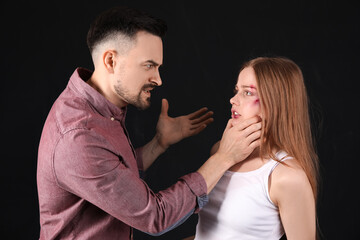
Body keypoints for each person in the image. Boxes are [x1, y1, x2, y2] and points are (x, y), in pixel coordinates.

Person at [36, 6, 262, 240]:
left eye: (158, 67)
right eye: (148, 65)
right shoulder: (78, 135)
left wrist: (159, 144)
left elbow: (113, 173)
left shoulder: (100, 110)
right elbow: (156, 217)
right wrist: (224, 157)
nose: (158, 79)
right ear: (111, 60)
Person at [191, 57, 320, 240]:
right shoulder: (220, 152)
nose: (233, 100)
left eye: (248, 93)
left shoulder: (287, 177)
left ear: (275, 102)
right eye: (237, 91)